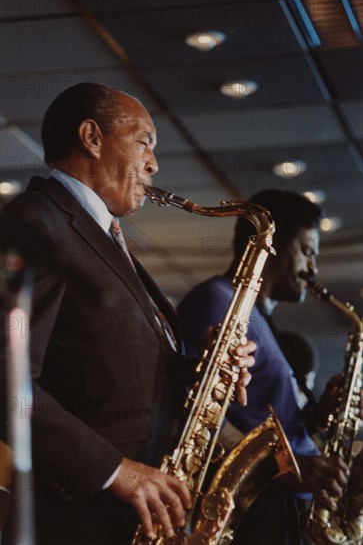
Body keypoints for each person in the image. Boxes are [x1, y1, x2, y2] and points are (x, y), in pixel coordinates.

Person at [0, 82, 255, 544]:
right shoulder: (37, 221)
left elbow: (105, 367)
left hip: (130, 516)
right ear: (92, 138)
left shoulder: (100, 235)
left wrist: (204, 368)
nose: (154, 164)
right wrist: (114, 471)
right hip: (84, 518)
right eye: (144, 142)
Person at [177, 189, 359, 545]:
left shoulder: (260, 315)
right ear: (273, 243)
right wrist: (289, 469)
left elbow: (259, 417)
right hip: (261, 512)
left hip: (282, 508)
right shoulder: (219, 300)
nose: (313, 268)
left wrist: (318, 418)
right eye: (307, 251)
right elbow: (196, 409)